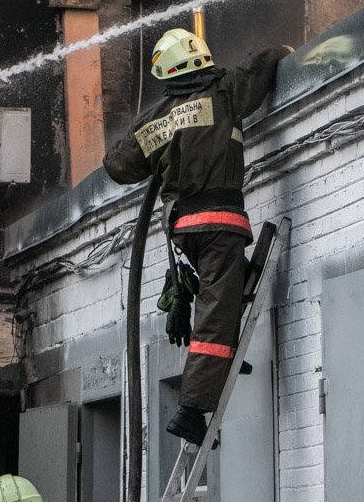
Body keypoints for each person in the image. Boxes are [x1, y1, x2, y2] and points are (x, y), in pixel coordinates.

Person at [104, 27, 292, 445]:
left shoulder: (155, 119)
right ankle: (191, 410)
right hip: (220, 222)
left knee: (229, 291)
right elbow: (262, 62)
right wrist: (285, 46)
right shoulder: (225, 92)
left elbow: (117, 166)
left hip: (183, 230)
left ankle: (220, 358)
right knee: (216, 312)